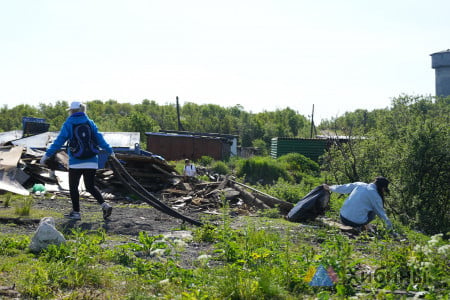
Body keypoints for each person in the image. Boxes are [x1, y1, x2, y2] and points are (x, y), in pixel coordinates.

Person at [40, 101, 115, 220]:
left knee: (74, 187)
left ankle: (76, 213)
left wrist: (46, 156)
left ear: (71, 111)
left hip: (76, 161)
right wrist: (110, 151)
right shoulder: (90, 123)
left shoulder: (68, 123)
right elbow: (100, 139)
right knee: (90, 186)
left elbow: (58, 142)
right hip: (91, 160)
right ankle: (104, 205)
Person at [323, 176, 392, 230]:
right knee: (374, 211)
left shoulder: (360, 184)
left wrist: (329, 187)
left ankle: (364, 225)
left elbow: (343, 188)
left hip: (343, 217)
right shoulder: (376, 197)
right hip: (355, 223)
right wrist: (390, 229)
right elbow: (382, 214)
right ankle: (364, 226)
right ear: (382, 188)